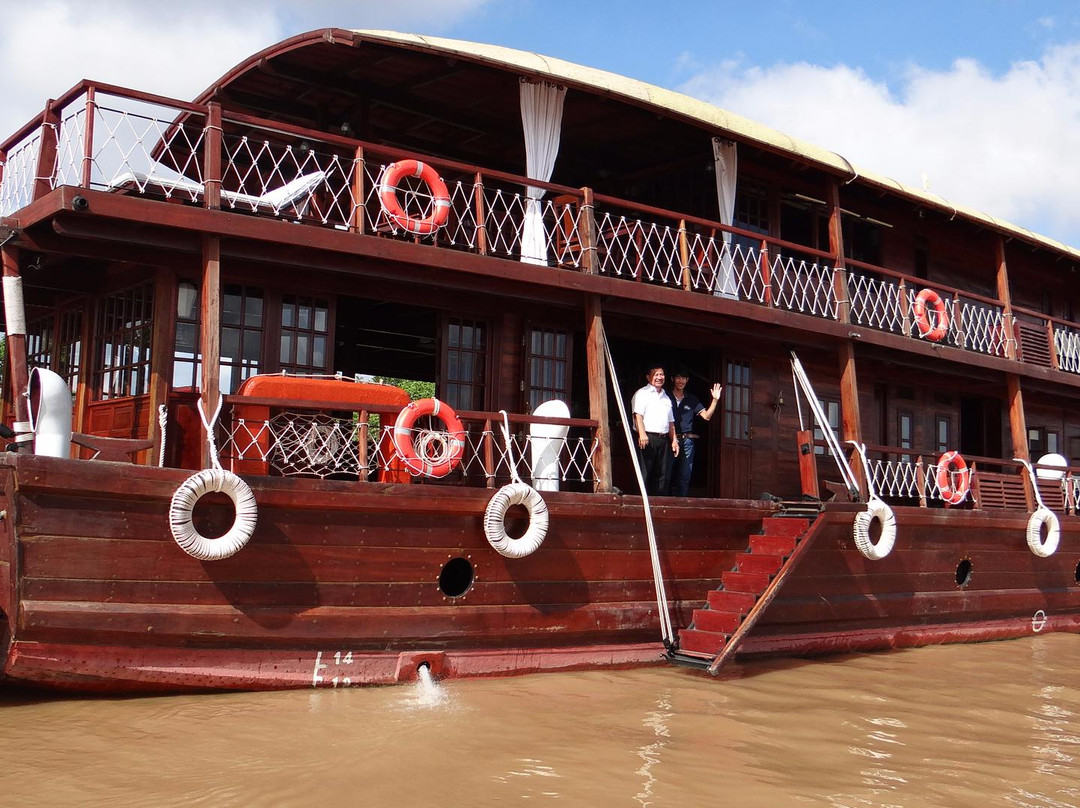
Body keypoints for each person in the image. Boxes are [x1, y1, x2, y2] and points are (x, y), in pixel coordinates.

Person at [667, 367, 722, 497]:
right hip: (668, 438)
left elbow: (706, 416)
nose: (681, 381)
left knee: (684, 474)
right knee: (666, 472)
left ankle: (681, 503)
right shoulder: (665, 396)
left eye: (684, 378)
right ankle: (663, 501)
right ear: (673, 379)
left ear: (687, 380)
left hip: (687, 441)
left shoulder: (691, 399)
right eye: (678, 377)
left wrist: (715, 400)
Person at [631, 364, 678, 496]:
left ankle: (659, 502)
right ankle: (640, 501)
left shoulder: (666, 397)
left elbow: (671, 422)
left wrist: (674, 440)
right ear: (648, 377)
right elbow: (638, 415)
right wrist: (642, 434)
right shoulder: (642, 393)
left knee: (662, 475)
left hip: (663, 439)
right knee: (644, 472)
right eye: (656, 374)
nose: (659, 377)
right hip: (647, 438)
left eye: (661, 374)